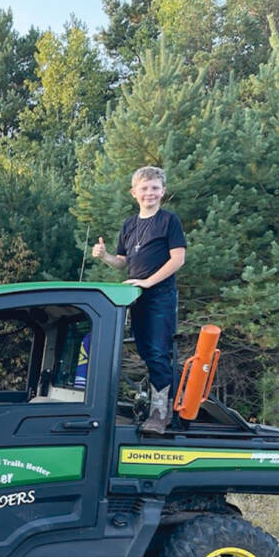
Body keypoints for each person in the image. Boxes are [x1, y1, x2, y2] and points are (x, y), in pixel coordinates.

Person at [92, 166, 186, 434]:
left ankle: (160, 413)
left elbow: (178, 259)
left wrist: (148, 282)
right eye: (144, 189)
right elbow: (122, 263)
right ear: (135, 193)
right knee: (145, 352)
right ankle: (151, 405)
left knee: (158, 352)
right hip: (135, 297)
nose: (150, 193)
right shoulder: (129, 225)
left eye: (155, 188)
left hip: (160, 295)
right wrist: (104, 255)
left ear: (163, 192)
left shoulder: (169, 221)